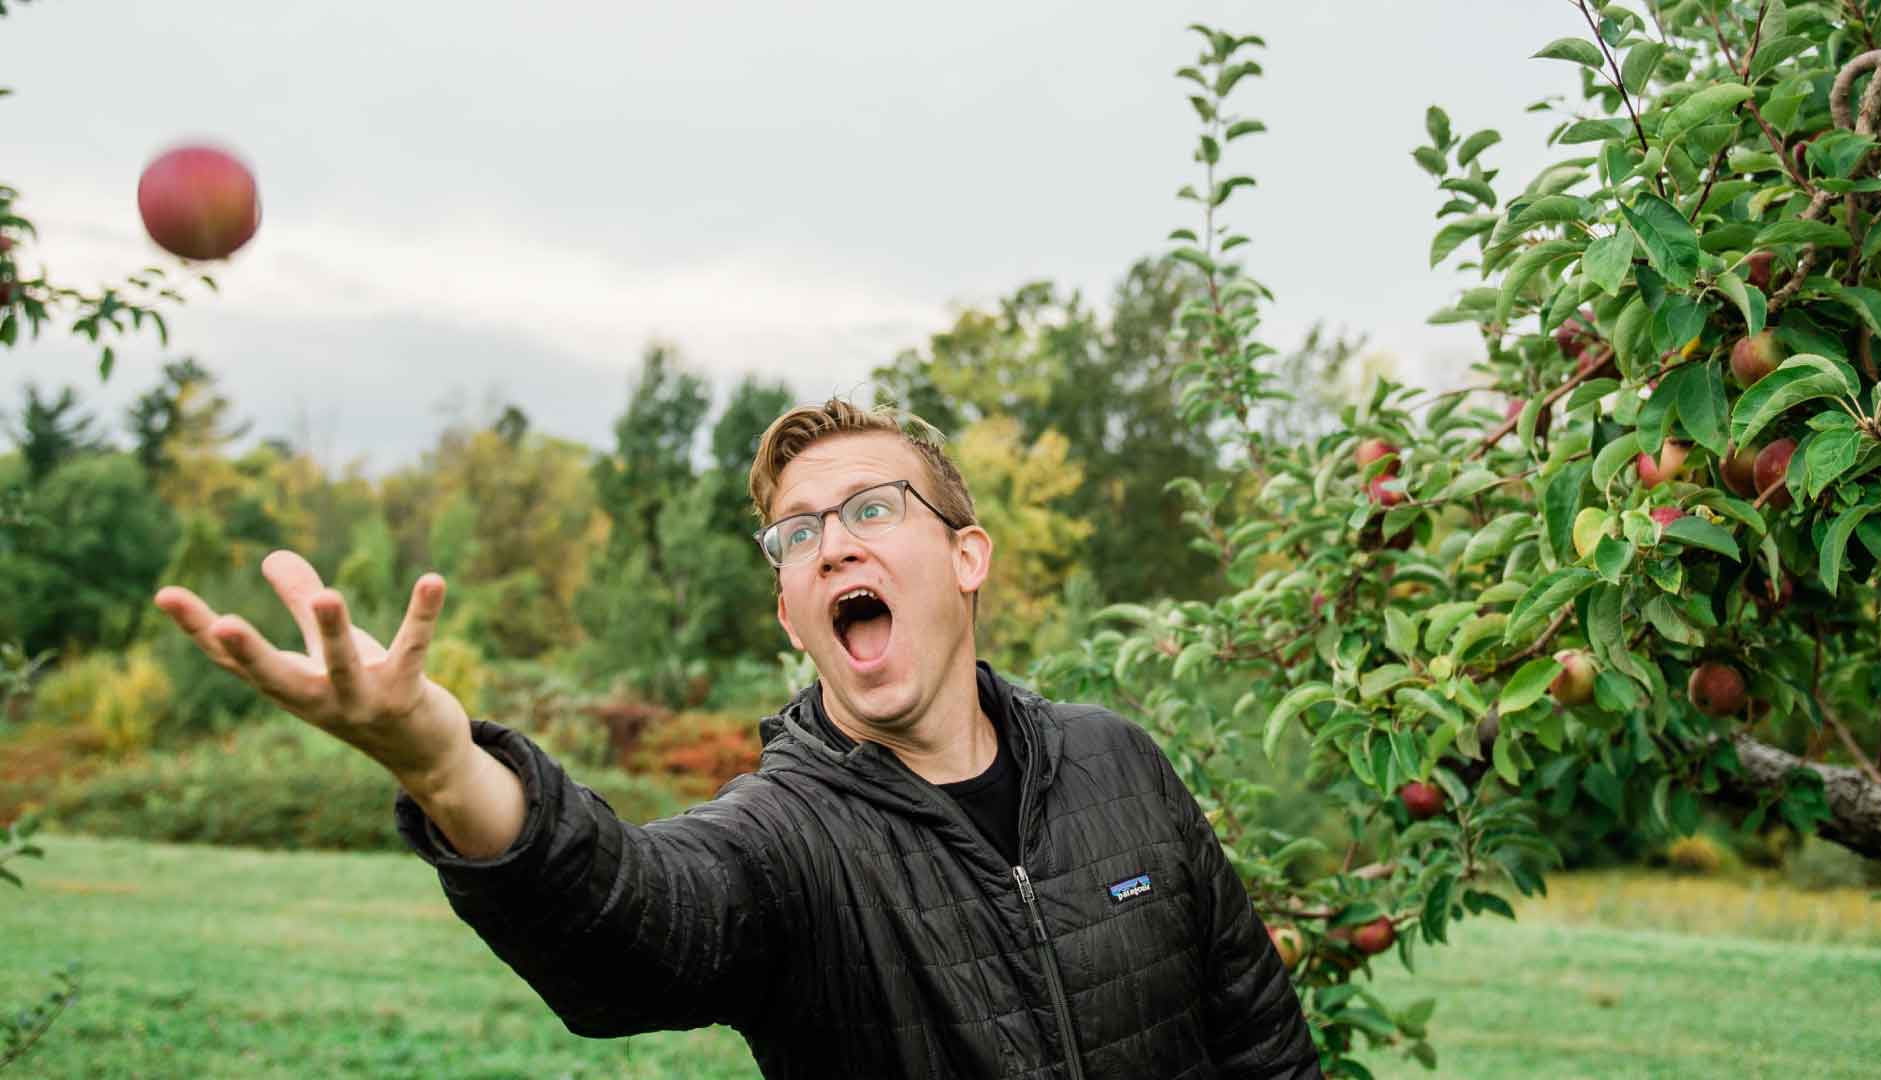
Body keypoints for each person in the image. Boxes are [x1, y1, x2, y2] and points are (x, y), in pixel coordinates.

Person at [154, 398, 1322, 1079]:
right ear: (789, 609)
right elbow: (633, 925)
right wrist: (441, 761)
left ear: (968, 561)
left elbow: (1262, 1041)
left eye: (872, 509)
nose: (830, 545)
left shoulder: (1118, 762)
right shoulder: (785, 838)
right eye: (797, 535)